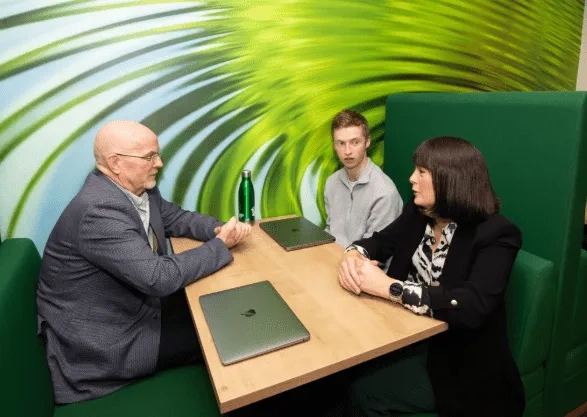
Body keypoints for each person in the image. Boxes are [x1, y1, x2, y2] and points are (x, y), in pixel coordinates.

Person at [37, 120, 252, 404]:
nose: (159, 163)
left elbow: (176, 218)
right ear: (115, 163)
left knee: (224, 307)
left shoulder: (138, 190)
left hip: (131, 310)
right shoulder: (99, 211)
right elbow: (158, 278)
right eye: (150, 156)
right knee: (228, 333)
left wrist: (218, 229)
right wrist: (221, 245)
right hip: (108, 343)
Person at [338, 136, 525, 417]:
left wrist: (391, 288)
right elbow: (381, 241)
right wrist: (353, 254)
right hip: (406, 334)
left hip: (459, 362)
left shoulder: (497, 234)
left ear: (450, 180)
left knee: (363, 389)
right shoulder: (420, 213)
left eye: (422, 172)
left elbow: (471, 306)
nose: (412, 179)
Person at [324, 109, 403, 249]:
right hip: (333, 258)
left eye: (355, 142)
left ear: (367, 142)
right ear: (334, 145)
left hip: (364, 266)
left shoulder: (384, 193)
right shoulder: (332, 182)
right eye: (341, 143)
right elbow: (330, 232)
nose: (347, 151)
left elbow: (374, 251)